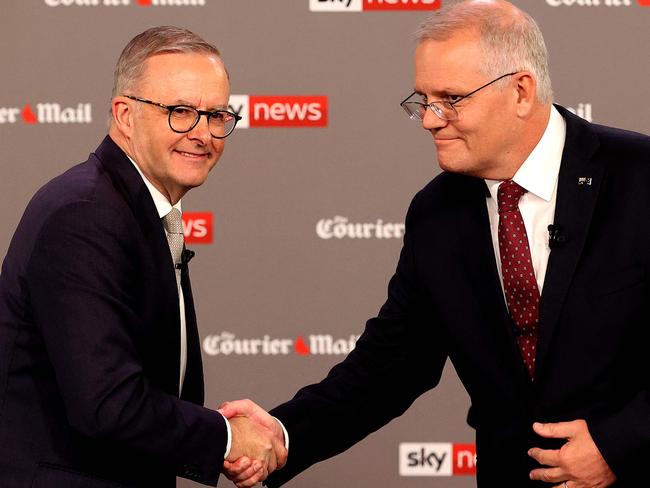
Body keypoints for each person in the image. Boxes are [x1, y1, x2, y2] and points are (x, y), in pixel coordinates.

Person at [220, 1, 650, 487]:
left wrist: (620, 444)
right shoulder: (437, 213)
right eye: (423, 100)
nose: (429, 119)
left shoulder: (639, 177)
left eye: (450, 98)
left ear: (521, 92)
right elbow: (391, 364)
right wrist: (282, 434)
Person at [0, 26, 286, 487]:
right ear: (125, 116)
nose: (202, 133)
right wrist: (228, 439)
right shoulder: (86, 215)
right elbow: (107, 404)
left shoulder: (138, 207)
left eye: (216, 115)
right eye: (179, 112)